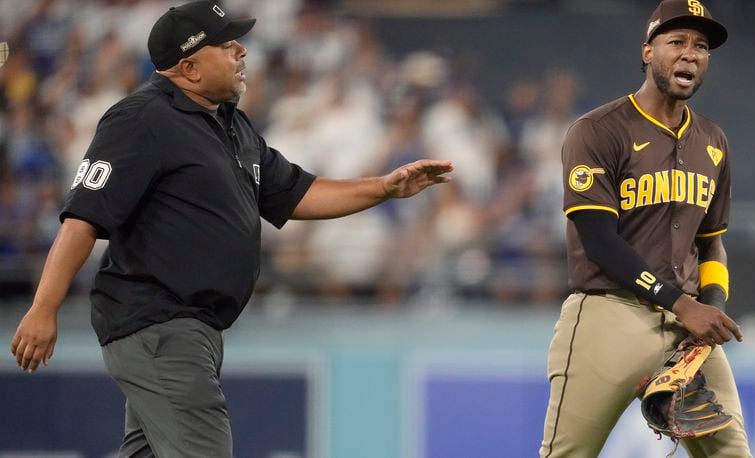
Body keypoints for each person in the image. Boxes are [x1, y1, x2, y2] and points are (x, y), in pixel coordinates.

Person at [9, 2, 452, 456]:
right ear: (189, 67)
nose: (242, 50)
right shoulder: (140, 119)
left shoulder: (232, 125)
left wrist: (384, 187)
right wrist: (44, 307)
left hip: (190, 328)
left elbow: (298, 194)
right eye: (226, 44)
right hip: (160, 322)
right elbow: (85, 215)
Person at [539, 1, 752, 457]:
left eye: (700, 47)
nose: (690, 54)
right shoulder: (598, 130)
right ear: (648, 52)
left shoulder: (713, 142)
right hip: (608, 313)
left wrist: (707, 311)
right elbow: (597, 239)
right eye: (676, 42)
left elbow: (711, 244)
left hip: (686, 328)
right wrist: (683, 304)